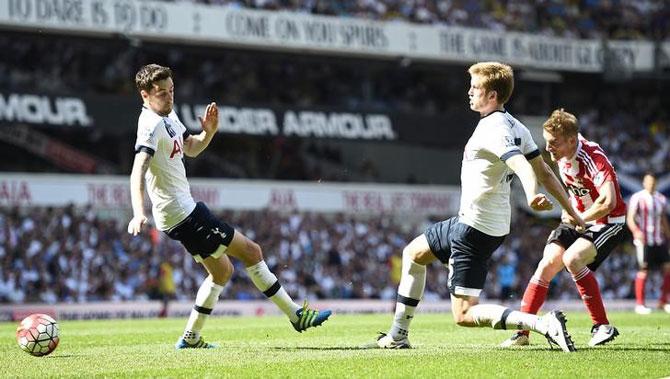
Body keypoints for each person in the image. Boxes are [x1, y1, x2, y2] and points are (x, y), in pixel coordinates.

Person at [367, 62, 584, 353]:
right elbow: (544, 170)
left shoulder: (493, 129)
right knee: (414, 254)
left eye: (476, 87)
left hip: (475, 227)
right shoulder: (515, 126)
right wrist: (569, 208)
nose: (469, 92)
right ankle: (398, 334)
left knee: (465, 314)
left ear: (492, 95)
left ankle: (542, 324)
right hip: (472, 221)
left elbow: (522, 165)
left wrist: (532, 194)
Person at [127, 64, 331, 349]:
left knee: (222, 272)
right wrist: (138, 212)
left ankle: (191, 338)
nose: (169, 97)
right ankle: (296, 315)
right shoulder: (149, 126)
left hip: (180, 211)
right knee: (252, 251)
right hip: (183, 213)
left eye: (171, 90)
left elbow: (192, 148)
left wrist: (208, 132)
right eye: (161, 93)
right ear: (145, 95)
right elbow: (138, 170)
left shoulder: (168, 114)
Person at [501, 109, 626, 348]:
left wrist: (580, 217)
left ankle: (602, 326)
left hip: (608, 222)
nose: (549, 148)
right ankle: (522, 333)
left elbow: (608, 202)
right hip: (579, 219)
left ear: (572, 140)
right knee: (547, 264)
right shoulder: (561, 156)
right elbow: (577, 191)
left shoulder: (593, 157)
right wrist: (569, 209)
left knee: (572, 258)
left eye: (554, 143)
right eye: (547, 142)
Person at [626, 172, 670, 314]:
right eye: (648, 182)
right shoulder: (637, 197)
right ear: (644, 183)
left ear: (655, 183)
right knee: (644, 270)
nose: (651, 184)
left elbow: (663, 220)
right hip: (644, 240)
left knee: (668, 268)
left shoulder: (661, 199)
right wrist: (636, 232)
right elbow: (630, 218)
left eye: (653, 182)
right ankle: (640, 304)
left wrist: (668, 236)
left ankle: (663, 301)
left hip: (658, 239)